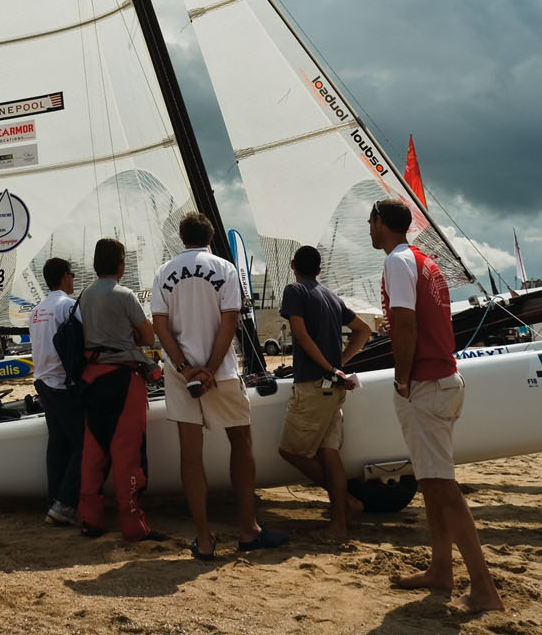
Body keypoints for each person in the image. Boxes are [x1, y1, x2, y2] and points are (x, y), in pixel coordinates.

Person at [370, 198, 503, 612]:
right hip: (444, 377)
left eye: (370, 222)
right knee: (430, 481)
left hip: (427, 381)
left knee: (443, 487)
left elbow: (405, 324)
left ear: (382, 223)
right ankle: (441, 568)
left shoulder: (397, 261)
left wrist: (403, 377)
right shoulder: (425, 261)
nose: (368, 229)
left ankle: (483, 586)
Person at [153, 214, 285, 559]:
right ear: (210, 236)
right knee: (241, 441)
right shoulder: (225, 269)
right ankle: (247, 529)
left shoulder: (163, 272)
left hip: (181, 376)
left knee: (190, 454)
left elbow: (160, 327)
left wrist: (185, 369)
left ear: (182, 238)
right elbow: (230, 323)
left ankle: (205, 539)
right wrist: (210, 369)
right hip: (221, 372)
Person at [277, 244, 372, 538]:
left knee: (290, 451)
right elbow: (364, 330)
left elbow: (301, 336)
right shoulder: (330, 295)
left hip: (314, 384)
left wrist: (330, 368)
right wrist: (339, 363)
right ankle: (339, 522)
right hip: (332, 385)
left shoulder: (295, 291)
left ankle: (345, 504)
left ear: (293, 265)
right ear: (319, 270)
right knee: (328, 454)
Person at [75, 237, 163, 544]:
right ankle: (134, 526)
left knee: (94, 451)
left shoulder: (84, 295)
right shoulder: (125, 294)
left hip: (90, 377)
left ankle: (90, 520)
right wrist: (134, 336)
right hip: (123, 380)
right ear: (121, 264)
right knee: (128, 452)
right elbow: (149, 337)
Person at [28, 256, 82, 527]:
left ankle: (54, 500)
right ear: (65, 277)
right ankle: (65, 504)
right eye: (72, 274)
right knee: (84, 445)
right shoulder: (68, 306)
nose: (74, 278)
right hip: (62, 385)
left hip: (43, 384)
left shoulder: (36, 310)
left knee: (58, 443)